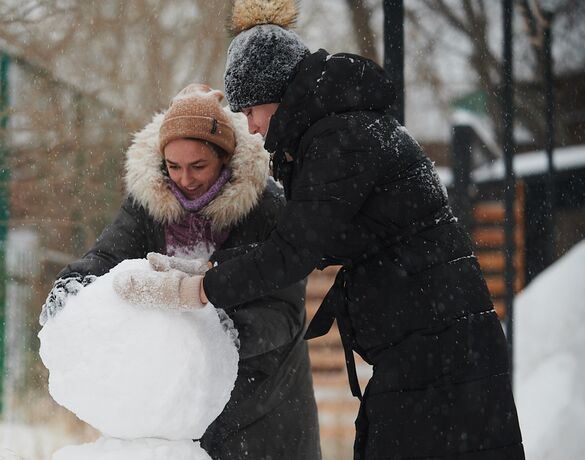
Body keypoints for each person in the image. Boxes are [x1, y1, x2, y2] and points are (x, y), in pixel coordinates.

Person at [114, 1, 526, 458]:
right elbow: (299, 239)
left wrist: (194, 289)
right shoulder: (338, 128)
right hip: (428, 341)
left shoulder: (341, 138)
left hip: (438, 345)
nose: (250, 127)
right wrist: (204, 266)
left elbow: (294, 251)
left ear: (278, 94)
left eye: (251, 110)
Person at [41, 84, 321, 459]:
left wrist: (217, 335)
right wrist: (70, 288)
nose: (185, 179)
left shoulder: (265, 207)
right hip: (180, 413)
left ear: (224, 157)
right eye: (174, 167)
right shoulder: (150, 203)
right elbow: (107, 256)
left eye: (198, 166)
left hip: (264, 406)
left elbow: (283, 312)